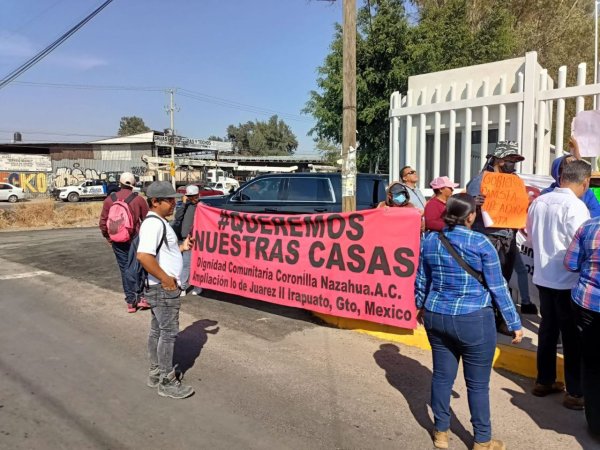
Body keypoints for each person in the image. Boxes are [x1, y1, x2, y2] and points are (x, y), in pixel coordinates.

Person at [415, 193, 523, 450]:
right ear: (471, 215)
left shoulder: (430, 239)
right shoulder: (481, 242)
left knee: (442, 377)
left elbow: (422, 278)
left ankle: (441, 432)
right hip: (473, 318)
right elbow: (498, 287)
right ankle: (482, 440)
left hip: (436, 314)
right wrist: (513, 322)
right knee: (477, 384)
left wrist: (420, 305)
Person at [526, 160, 591, 410]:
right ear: (585, 182)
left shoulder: (540, 202)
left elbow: (530, 239)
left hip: (543, 276)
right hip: (568, 280)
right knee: (572, 336)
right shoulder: (576, 206)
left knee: (548, 329)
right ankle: (574, 392)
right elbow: (582, 246)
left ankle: (544, 380)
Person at [136, 181, 195, 399]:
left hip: (157, 286)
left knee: (158, 331)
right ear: (155, 202)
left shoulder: (157, 223)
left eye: (174, 200)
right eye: (169, 200)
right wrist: (166, 279)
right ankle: (166, 381)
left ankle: (156, 373)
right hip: (162, 288)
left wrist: (181, 248)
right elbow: (143, 256)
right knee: (168, 333)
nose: (173, 204)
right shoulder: (154, 224)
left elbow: (161, 252)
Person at [467, 141, 527, 335]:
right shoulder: (481, 179)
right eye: (510, 160)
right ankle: (487, 319)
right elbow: (466, 208)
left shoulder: (515, 181)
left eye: (515, 160)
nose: (513, 164)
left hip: (508, 239)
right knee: (488, 280)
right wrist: (473, 203)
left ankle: (500, 320)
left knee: (504, 280)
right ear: (500, 159)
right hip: (488, 238)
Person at [564, 215, 600, 435]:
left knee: (593, 366)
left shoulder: (590, 226)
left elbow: (570, 263)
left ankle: (596, 425)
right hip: (588, 303)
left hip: (588, 303)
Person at [99, 172, 149, 313]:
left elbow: (103, 223)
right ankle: (141, 297)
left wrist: (109, 238)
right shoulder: (139, 200)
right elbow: (147, 220)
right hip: (135, 239)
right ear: (133, 184)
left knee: (124, 269)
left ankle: (130, 302)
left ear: (119, 183)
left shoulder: (110, 200)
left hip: (117, 240)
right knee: (138, 267)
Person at [541, 136, 600, 218]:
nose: (571, 173)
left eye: (574, 168)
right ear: (558, 174)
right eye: (566, 169)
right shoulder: (546, 194)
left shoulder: (587, 193)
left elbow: (597, 214)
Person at [173, 185, 202, 296]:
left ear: (198, 195)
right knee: (186, 263)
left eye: (194, 196)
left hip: (198, 238)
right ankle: (183, 287)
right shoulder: (185, 206)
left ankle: (198, 285)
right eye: (189, 196)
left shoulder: (201, 206)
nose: (192, 199)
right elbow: (178, 217)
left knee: (198, 263)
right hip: (187, 238)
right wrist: (184, 203)